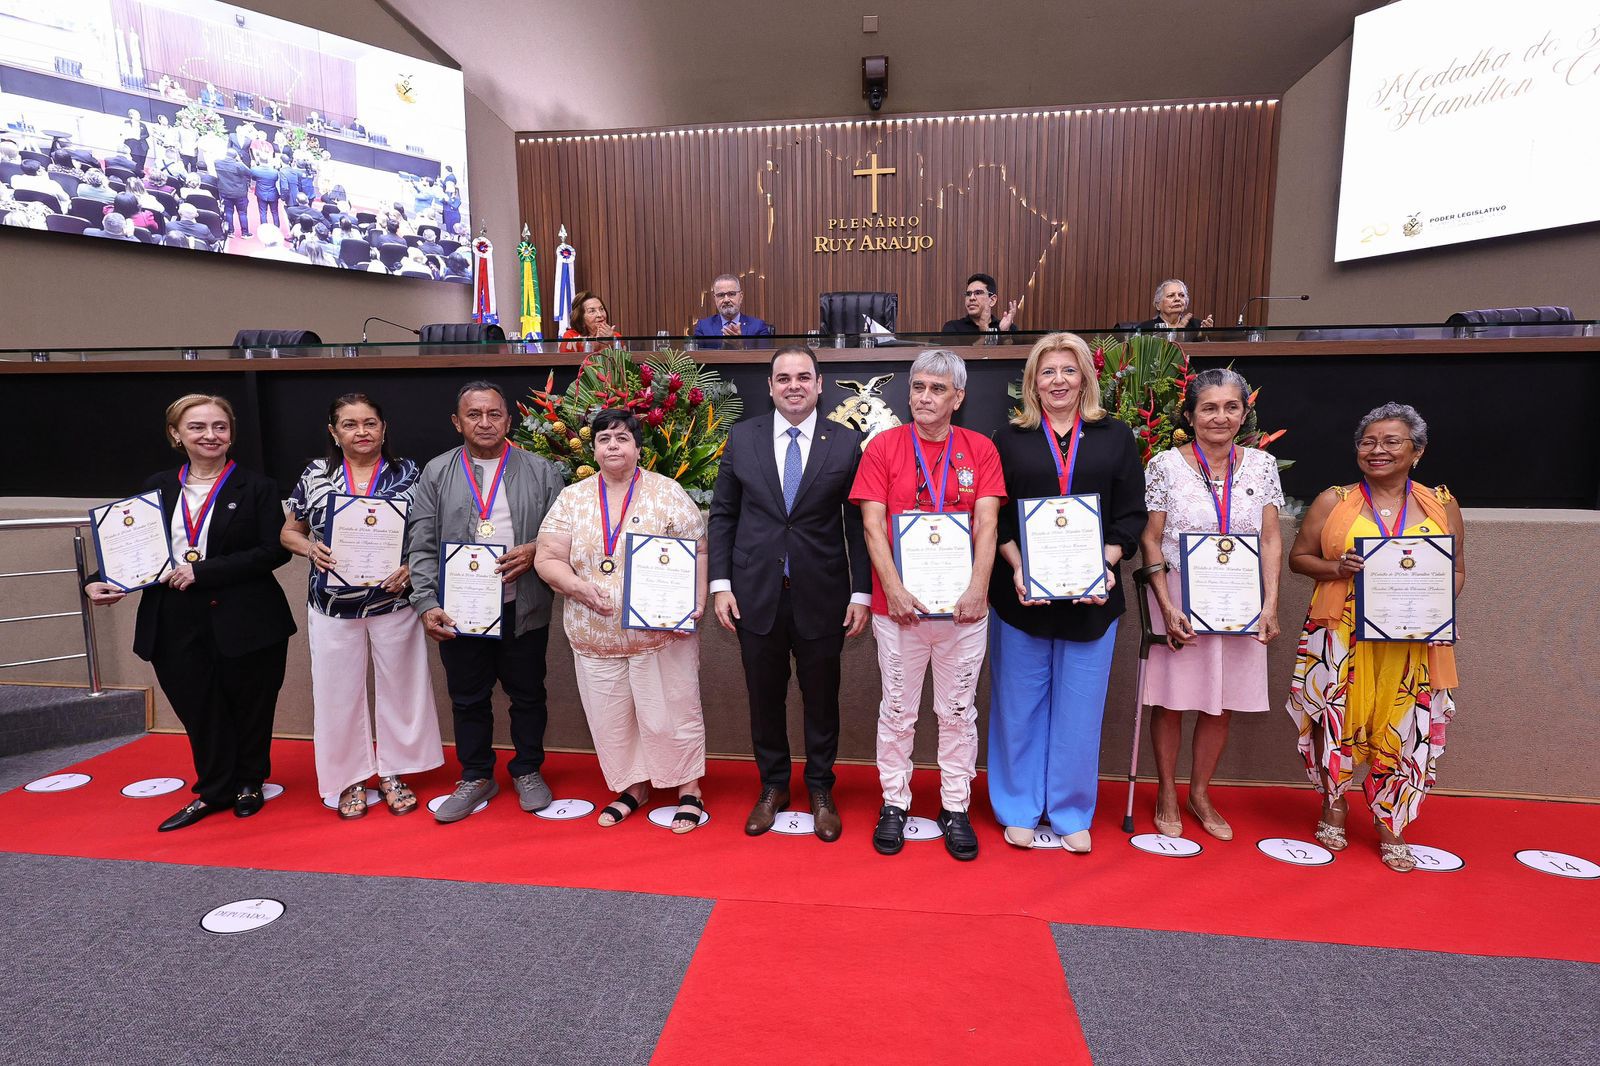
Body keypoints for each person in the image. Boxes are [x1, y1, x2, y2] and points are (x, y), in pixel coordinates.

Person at [84, 395, 296, 831]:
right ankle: (215, 789)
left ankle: (249, 783)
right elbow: (130, 544)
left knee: (251, 704)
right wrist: (97, 578)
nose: (210, 435)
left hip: (247, 616)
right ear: (176, 434)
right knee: (198, 707)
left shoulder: (258, 486)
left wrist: (204, 571)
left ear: (231, 434)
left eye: (220, 426)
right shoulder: (157, 486)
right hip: (173, 617)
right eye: (197, 427)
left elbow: (273, 551)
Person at [1286, 402, 1464, 873]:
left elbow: (1457, 570)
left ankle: (1392, 821)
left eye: (1391, 442)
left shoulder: (1441, 504)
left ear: (1417, 451)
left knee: (1406, 725)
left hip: (1412, 642)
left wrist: (1436, 608)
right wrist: (1336, 568)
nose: (1377, 450)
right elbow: (1299, 558)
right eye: (1368, 442)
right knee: (1336, 718)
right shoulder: (1334, 501)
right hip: (1342, 634)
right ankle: (1334, 803)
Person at [986, 332, 1147, 854]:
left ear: (1085, 379)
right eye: (1048, 371)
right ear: (1033, 382)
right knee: (1018, 707)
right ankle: (1018, 806)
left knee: (1080, 710)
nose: (1058, 381)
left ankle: (1071, 809)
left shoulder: (1115, 436)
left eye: (1068, 370)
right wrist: (1017, 567)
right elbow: (995, 516)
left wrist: (1104, 565)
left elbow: (1131, 514)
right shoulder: (1007, 439)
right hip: (1021, 595)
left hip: (1092, 598)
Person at [709, 345, 872, 842]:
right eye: (784, 378)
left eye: (804, 377)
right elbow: (723, 515)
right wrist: (720, 585)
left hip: (823, 594)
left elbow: (858, 525)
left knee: (822, 699)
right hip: (753, 594)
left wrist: (861, 593)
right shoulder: (743, 437)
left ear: (820, 385)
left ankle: (821, 789)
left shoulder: (845, 442)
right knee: (765, 698)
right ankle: (774, 786)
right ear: (770, 386)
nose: (794, 386)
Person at [849, 349, 1006, 861]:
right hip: (899, 609)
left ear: (958, 397)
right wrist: (892, 589)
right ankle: (894, 802)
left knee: (958, 712)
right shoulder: (883, 446)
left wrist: (978, 588)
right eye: (918, 387)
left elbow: (988, 524)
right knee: (897, 711)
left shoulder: (980, 448)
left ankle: (955, 806)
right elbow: (872, 525)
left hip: (964, 610)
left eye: (938, 389)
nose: (924, 397)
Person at [534, 409, 711, 833]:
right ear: (593, 450)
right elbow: (548, 557)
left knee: (671, 713)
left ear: (637, 447)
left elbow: (699, 550)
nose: (613, 446)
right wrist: (576, 587)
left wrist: (696, 601)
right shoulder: (572, 498)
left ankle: (689, 788)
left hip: (660, 634)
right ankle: (633, 787)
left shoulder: (666, 492)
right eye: (604, 439)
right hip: (594, 636)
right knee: (611, 719)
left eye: (622, 438)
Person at [408, 381, 566, 822]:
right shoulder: (437, 472)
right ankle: (476, 775)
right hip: (460, 610)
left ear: (508, 420)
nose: (485, 422)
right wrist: (426, 603)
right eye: (473, 415)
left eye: (494, 414)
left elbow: (565, 535)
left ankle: (528, 770)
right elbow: (421, 545)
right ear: (457, 422)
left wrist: (534, 549)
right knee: (467, 698)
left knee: (528, 695)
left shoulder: (542, 471)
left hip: (523, 605)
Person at [281, 394, 443, 819]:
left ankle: (394, 772)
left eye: (370, 423)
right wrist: (310, 549)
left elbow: (430, 533)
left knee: (403, 688)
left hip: (395, 600)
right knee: (336, 694)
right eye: (349, 425)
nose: (362, 432)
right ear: (334, 432)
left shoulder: (410, 473)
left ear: (384, 428)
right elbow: (289, 532)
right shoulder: (316, 474)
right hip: (332, 605)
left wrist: (411, 567)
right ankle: (349, 777)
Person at [1139, 368, 1283, 840]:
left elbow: (1271, 538)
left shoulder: (1262, 466)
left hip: (1241, 599)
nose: (1220, 417)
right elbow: (1151, 538)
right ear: (1190, 415)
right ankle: (1166, 790)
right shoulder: (1164, 465)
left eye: (1231, 407)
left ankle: (1200, 793)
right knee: (1172, 699)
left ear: (1244, 413)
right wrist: (1166, 606)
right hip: (1180, 595)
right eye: (1209, 408)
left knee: (1221, 702)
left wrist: (1271, 604)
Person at [692, 274, 775, 346]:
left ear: (741, 297)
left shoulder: (758, 326)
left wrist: (740, 345)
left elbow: (765, 357)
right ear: (715, 299)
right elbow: (696, 357)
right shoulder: (703, 327)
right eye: (721, 295)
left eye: (731, 294)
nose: (726, 300)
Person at [941, 273, 1019, 337]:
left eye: (978, 293)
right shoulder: (953, 327)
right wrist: (984, 332)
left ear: (992, 300)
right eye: (968, 294)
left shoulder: (1008, 327)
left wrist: (1004, 335)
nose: (971, 298)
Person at [1139, 279, 1214, 334]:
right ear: (1158, 305)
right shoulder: (1144, 329)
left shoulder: (1197, 326)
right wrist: (1177, 333)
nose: (1177, 299)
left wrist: (1206, 337)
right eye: (1171, 295)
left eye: (1181, 295)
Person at [559, 291, 623, 352]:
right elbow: (567, 359)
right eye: (592, 311)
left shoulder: (615, 336)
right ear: (580, 317)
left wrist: (611, 343)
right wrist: (596, 346)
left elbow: (623, 359)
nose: (600, 315)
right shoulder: (571, 336)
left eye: (601, 309)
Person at [213, 148, 253, 238]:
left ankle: (230, 232)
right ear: (236, 156)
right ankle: (245, 233)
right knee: (242, 213)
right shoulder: (239, 165)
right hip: (239, 193)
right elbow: (249, 173)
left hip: (225, 191)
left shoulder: (217, 162)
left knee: (228, 212)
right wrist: (240, 161)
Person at [249, 156, 282, 228]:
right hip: (273, 194)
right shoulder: (275, 172)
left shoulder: (255, 170)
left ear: (259, 161)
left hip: (261, 194)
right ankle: (277, 228)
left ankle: (264, 228)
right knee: (275, 212)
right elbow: (276, 180)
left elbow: (253, 179)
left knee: (263, 212)